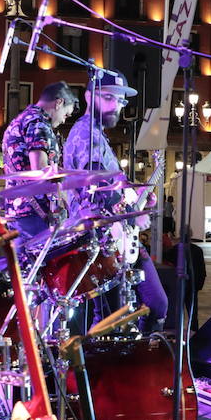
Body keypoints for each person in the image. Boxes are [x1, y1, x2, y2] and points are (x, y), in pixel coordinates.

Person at [62, 73, 168, 326]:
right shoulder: (86, 134)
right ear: (89, 96)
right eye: (108, 97)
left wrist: (140, 201)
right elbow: (100, 191)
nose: (116, 105)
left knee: (152, 305)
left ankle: (139, 358)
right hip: (102, 243)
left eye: (119, 100)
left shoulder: (98, 135)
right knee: (112, 320)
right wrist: (135, 213)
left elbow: (112, 188)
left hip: (118, 238)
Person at [0, 81, 78, 237]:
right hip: (34, 213)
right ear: (58, 103)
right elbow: (40, 171)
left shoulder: (20, 120)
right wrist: (73, 178)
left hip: (17, 210)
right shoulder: (38, 123)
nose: (63, 121)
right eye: (66, 114)